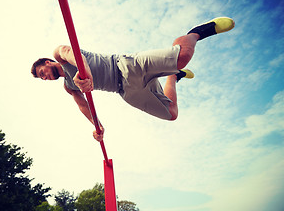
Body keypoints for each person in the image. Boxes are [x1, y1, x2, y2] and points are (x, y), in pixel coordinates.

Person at [31, 17, 235, 142]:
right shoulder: (69, 86)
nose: (46, 78)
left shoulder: (58, 54)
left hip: (125, 66)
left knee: (182, 57)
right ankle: (173, 77)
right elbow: (83, 106)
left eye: (43, 73)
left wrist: (85, 73)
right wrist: (97, 126)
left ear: (48, 62)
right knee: (171, 113)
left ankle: (196, 33)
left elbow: (71, 53)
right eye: (43, 79)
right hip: (127, 92)